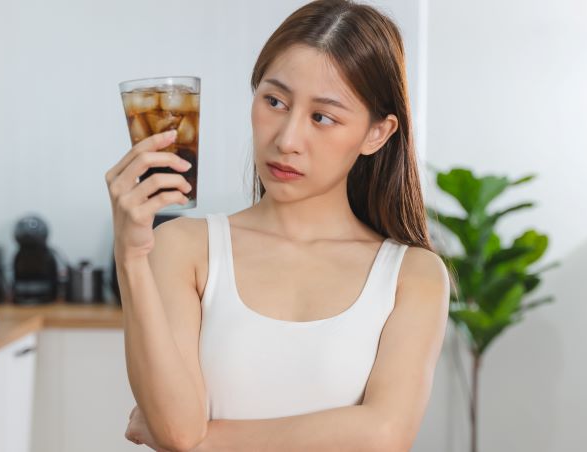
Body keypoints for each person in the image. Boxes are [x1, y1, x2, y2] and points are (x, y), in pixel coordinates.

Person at [106, 0, 450, 450]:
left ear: (377, 134)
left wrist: (202, 445)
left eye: (322, 117)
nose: (287, 139)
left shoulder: (412, 276)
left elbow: (383, 435)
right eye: (274, 101)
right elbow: (176, 428)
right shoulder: (185, 248)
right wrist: (130, 256)